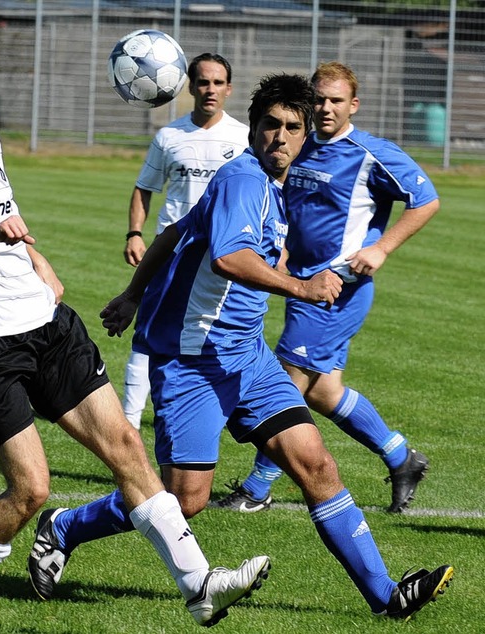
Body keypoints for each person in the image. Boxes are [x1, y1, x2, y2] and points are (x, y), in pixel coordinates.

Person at [0, 36, 271, 633]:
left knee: (127, 448)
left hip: (45, 322)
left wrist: (37, 260)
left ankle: (199, 586)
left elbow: (4, 210)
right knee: (30, 491)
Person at [27, 73, 453, 621]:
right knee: (184, 501)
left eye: (292, 127)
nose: (280, 136)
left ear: (305, 138)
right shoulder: (244, 181)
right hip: (194, 359)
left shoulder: (272, 187)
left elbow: (175, 232)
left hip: (247, 357)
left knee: (317, 465)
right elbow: (229, 258)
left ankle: (386, 596)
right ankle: (65, 526)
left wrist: (134, 294)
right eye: (270, 125)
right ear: (252, 130)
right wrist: (301, 285)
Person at [213, 61, 440, 515]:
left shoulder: (370, 152)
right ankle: (401, 457)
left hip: (339, 288)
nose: (325, 108)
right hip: (302, 285)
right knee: (322, 392)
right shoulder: (301, 145)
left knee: (286, 383)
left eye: (336, 100)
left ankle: (257, 489)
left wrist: (382, 249)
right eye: (319, 99)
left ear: (353, 105)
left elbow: (426, 199)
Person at [122, 52, 249, 429]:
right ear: (190, 86)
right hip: (172, 251)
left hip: (223, 255)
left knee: (216, 339)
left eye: (217, 83)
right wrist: (134, 233)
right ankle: (127, 425)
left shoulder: (243, 137)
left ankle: (205, 413)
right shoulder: (169, 136)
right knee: (148, 335)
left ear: (229, 89)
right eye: (203, 82)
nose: (210, 90)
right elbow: (144, 188)